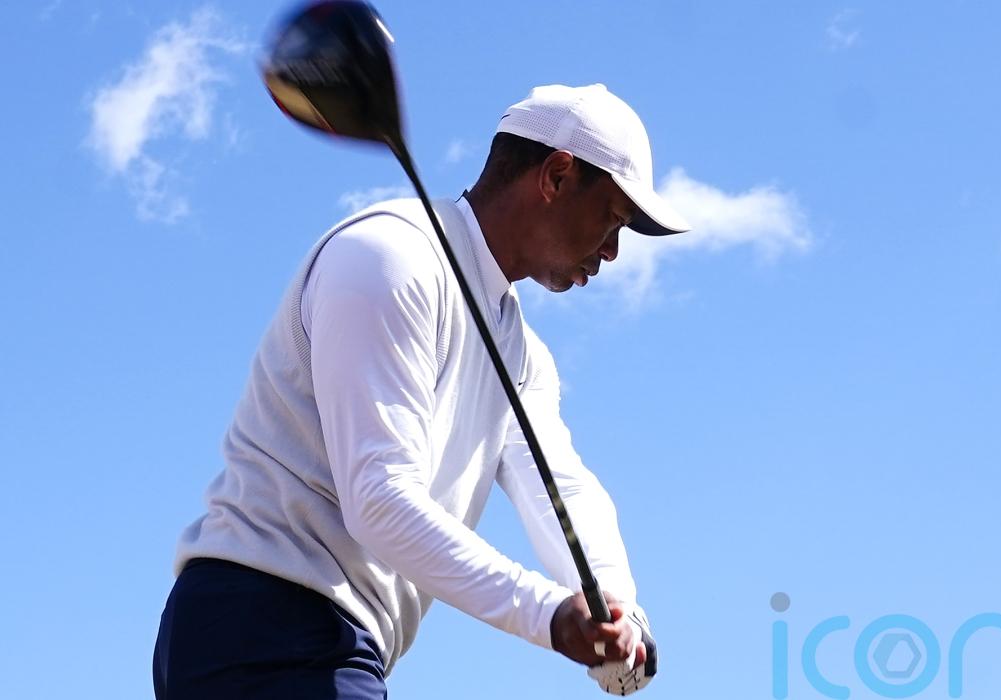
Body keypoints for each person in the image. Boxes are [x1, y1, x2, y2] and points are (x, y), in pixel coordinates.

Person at [153, 83, 689, 699]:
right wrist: (547, 614)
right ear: (557, 176)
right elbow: (379, 496)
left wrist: (618, 608)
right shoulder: (390, 258)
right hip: (260, 621)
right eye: (613, 218)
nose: (614, 251)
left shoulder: (521, 352)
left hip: (334, 642)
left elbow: (559, 487)